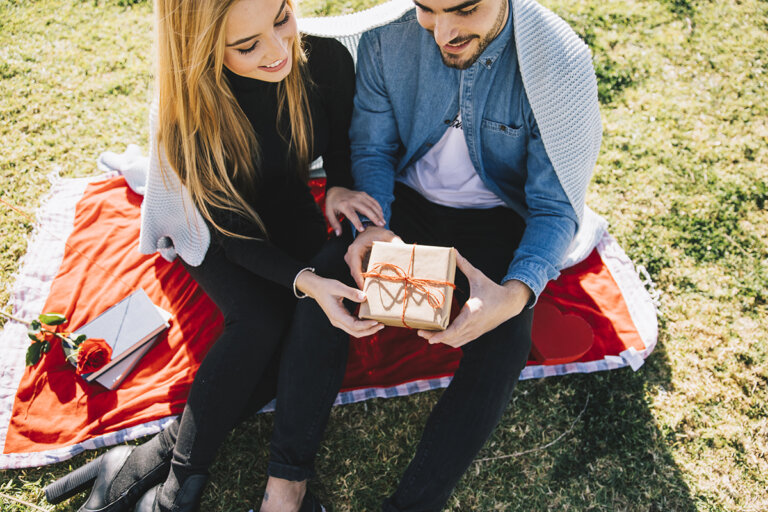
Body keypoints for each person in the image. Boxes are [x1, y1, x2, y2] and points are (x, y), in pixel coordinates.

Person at [43, 0, 385, 510]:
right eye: (247, 45)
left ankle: (151, 454)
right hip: (204, 221)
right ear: (203, 49)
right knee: (260, 321)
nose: (278, 49)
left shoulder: (326, 60)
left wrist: (337, 187)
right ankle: (181, 477)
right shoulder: (186, 113)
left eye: (282, 18)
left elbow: (339, 144)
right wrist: (304, 278)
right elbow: (230, 235)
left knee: (303, 329)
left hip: (282, 198)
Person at [274, 0, 602, 509]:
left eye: (464, 10)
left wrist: (515, 295)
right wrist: (375, 223)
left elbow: (555, 207)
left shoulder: (560, 64)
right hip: (404, 207)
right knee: (324, 289)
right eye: (427, 9)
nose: (443, 32)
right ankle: (285, 487)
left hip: (498, 219)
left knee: (505, 337)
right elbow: (374, 149)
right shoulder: (390, 40)